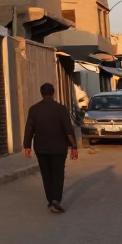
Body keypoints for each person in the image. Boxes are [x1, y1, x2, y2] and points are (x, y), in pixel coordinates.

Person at [23, 82, 78, 213]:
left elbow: (29, 129)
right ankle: (55, 200)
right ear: (53, 93)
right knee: (58, 173)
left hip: (41, 148)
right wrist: (74, 147)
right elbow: (68, 130)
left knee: (46, 174)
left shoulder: (34, 109)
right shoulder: (61, 109)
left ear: (41, 93)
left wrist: (27, 146)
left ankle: (50, 199)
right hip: (59, 148)